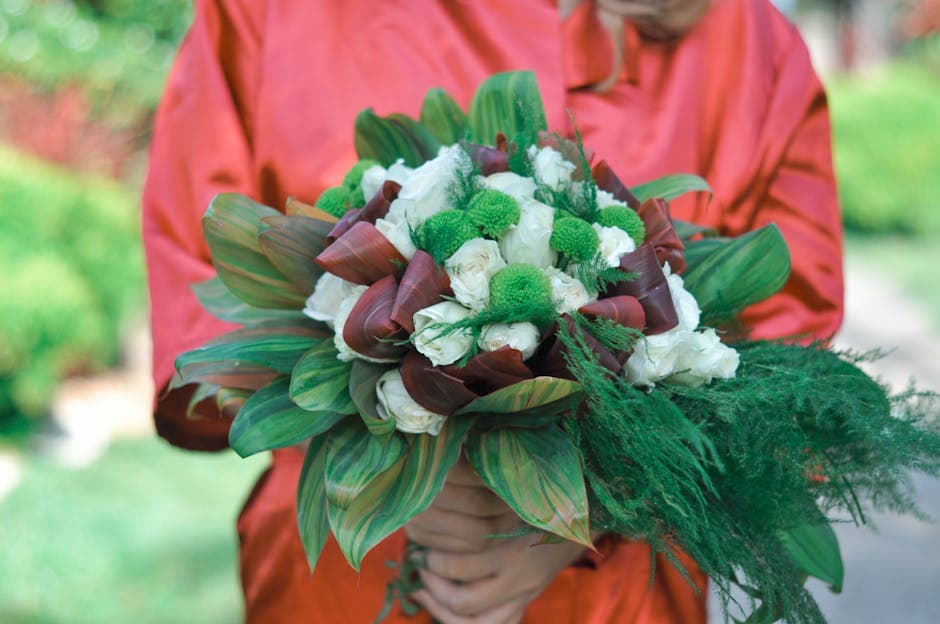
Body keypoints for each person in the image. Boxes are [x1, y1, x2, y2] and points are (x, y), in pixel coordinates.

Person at [142, 0, 843, 622]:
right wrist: (405, 471)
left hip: (612, 594)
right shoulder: (265, 12)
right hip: (346, 579)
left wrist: (586, 513)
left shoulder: (750, 46)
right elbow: (201, 281)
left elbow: (790, 379)